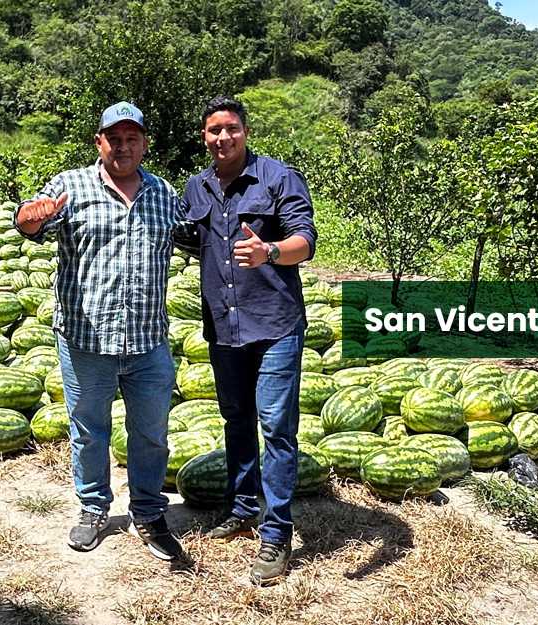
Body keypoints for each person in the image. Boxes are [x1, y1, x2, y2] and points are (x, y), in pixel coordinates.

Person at [14, 102, 188, 563]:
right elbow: (30, 222)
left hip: (148, 338)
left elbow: (195, 236)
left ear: (145, 144)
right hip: (85, 339)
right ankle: (93, 508)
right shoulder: (70, 185)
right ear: (99, 142)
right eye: (115, 138)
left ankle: (149, 513)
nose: (124, 146)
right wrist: (30, 214)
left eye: (133, 138)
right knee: (90, 430)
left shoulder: (164, 194)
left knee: (151, 433)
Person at [179, 96, 317, 586]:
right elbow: (183, 235)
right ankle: (242, 507)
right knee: (236, 419)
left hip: (275, 323)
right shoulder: (195, 188)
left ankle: (276, 533)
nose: (223, 137)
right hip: (224, 326)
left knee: (276, 426)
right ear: (204, 136)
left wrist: (271, 250)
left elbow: (306, 240)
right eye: (214, 129)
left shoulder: (279, 178)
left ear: (245, 131)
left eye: (231, 128)